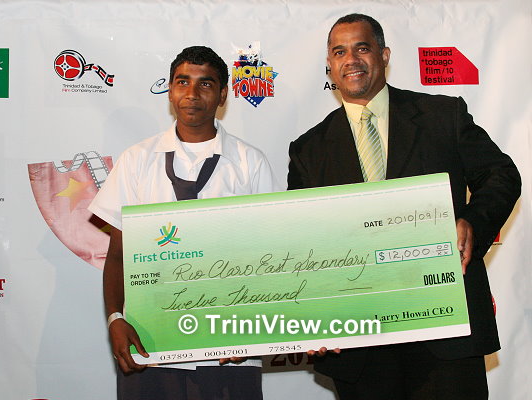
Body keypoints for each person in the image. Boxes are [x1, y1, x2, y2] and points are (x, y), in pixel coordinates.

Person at [288, 13, 521, 400]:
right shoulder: (309, 149)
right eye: (339, 52)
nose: (351, 60)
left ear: (384, 55)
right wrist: (311, 316)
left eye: (362, 48)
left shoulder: (442, 116)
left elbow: (501, 175)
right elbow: (302, 243)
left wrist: (471, 222)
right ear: (329, 64)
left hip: (444, 329)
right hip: (359, 341)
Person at [89, 46, 278, 400]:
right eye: (182, 82)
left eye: (205, 83)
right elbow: (117, 256)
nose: (192, 93)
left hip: (230, 346)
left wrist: (253, 329)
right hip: (150, 344)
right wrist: (115, 319)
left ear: (223, 94)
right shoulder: (136, 160)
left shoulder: (250, 162)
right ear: (170, 91)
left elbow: (268, 260)